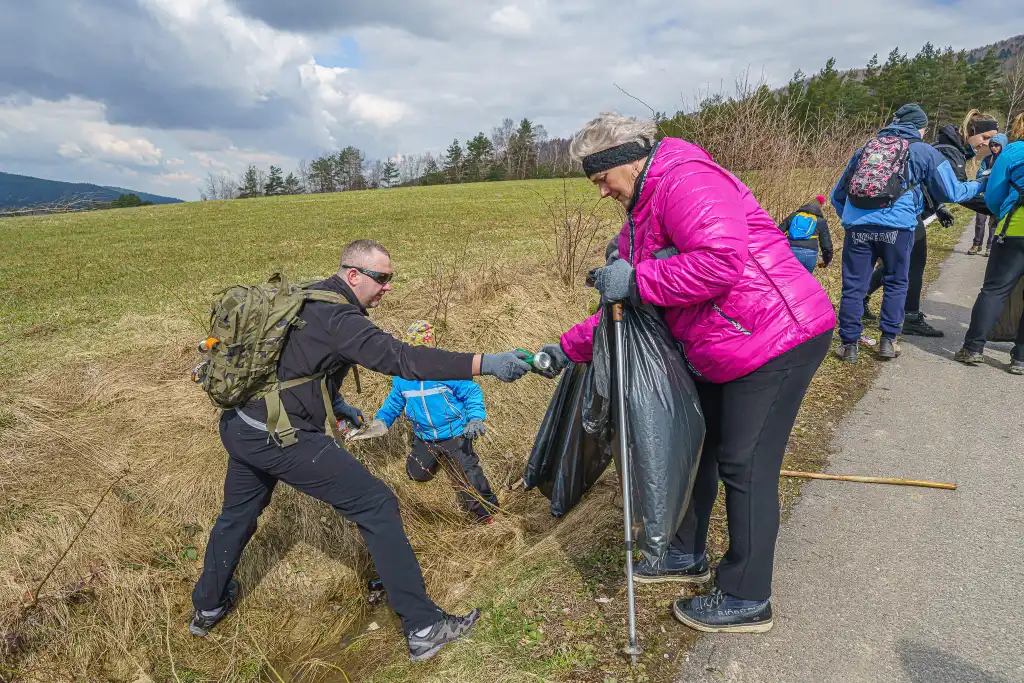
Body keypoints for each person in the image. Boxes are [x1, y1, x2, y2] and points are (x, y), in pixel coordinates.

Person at [538, 112, 836, 634]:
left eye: (600, 179)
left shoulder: (685, 179)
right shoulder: (641, 211)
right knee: (704, 449)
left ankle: (747, 596)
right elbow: (627, 305)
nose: (601, 192)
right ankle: (684, 553)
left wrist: (636, 280)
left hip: (775, 335)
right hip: (726, 344)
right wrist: (566, 349)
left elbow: (720, 261)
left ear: (625, 161)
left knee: (746, 464)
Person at [189, 239, 532, 662]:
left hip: (241, 425)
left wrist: (335, 403)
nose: (388, 287)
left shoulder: (310, 294)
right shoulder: (339, 315)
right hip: (280, 435)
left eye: (390, 279)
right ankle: (424, 627)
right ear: (354, 275)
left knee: (237, 515)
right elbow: (403, 360)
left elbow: (296, 364)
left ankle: (207, 604)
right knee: (376, 504)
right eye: (382, 278)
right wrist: (485, 362)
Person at [831, 104, 985, 362]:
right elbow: (952, 192)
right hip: (898, 228)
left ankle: (848, 345)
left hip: (858, 228)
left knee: (854, 286)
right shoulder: (924, 151)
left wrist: (852, 220)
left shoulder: (865, 149)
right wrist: (980, 184)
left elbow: (839, 194)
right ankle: (888, 342)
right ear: (921, 128)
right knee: (896, 282)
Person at [862, 111, 1001, 337]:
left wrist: (939, 208)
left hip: (899, 210)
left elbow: (930, 185)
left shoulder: (947, 147)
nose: (987, 143)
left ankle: (862, 300)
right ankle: (909, 317)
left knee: (896, 261)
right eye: (985, 137)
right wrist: (994, 208)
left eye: (992, 139)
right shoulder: (950, 152)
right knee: (914, 263)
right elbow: (956, 192)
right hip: (907, 213)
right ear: (971, 132)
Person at [362, 320, 500, 523]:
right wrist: (381, 422)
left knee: (470, 476)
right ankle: (437, 459)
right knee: (416, 473)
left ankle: (487, 514)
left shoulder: (447, 368)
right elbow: (393, 404)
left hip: (455, 433)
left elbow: (472, 392)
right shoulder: (402, 378)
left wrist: (476, 418)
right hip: (424, 437)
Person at [955, 113, 1024, 375]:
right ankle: (1020, 359)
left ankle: (973, 348)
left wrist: (999, 212)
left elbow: (994, 193)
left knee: (995, 290)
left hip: (1015, 228)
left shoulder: (1014, 150)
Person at [971, 133, 1010, 256]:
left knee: (993, 223)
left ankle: (990, 246)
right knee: (979, 221)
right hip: (984, 194)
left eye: (997, 145)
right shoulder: (987, 159)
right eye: (992, 145)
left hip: (999, 195)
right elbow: (979, 175)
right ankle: (976, 244)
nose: (994, 148)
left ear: (1002, 145)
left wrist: (989, 175)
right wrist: (989, 173)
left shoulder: (1006, 159)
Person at [777, 195, 833, 273]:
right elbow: (826, 244)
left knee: (786, 281)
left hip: (789, 251)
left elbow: (777, 233)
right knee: (803, 283)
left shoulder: (794, 215)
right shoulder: (820, 221)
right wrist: (826, 260)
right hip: (809, 255)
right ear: (819, 208)